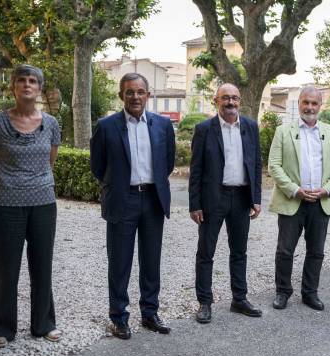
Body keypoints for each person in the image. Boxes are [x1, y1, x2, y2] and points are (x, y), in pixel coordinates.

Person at [0, 64, 62, 348]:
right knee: (6, 268)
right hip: (6, 206)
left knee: (42, 266)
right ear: (13, 87)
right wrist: (8, 187)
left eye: (32, 81)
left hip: (43, 205)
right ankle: (1, 328)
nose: (27, 85)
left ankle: (44, 324)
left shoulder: (51, 124)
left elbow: (49, 162)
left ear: (39, 88)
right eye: (21, 80)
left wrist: (32, 185)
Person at [90, 73, 176, 339]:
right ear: (121, 96)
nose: (135, 97)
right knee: (120, 262)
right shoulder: (106, 126)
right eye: (129, 92)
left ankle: (150, 313)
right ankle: (119, 317)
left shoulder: (162, 125)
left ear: (148, 95)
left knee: (151, 260)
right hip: (122, 200)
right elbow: (98, 166)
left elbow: (168, 163)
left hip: (153, 199)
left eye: (140, 92)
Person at [189, 83, 262, 324]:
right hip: (213, 198)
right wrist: (194, 204)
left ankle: (239, 299)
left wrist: (256, 198)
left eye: (234, 98)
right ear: (216, 100)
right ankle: (205, 302)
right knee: (206, 252)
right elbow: (196, 170)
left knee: (239, 251)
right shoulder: (204, 130)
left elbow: (256, 165)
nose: (230, 103)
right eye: (225, 98)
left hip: (241, 198)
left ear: (239, 101)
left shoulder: (250, 127)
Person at [268, 86, 330, 311]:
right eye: (306, 102)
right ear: (299, 103)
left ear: (320, 106)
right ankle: (282, 292)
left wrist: (327, 189)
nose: (310, 107)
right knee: (285, 251)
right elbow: (274, 165)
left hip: (320, 201)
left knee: (317, 251)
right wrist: (294, 189)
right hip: (293, 200)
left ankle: (310, 293)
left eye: (314, 103)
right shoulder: (284, 131)